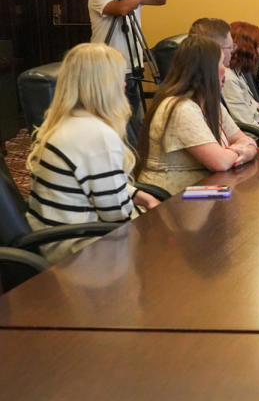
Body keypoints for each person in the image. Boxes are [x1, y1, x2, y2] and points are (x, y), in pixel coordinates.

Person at [25, 43, 160, 262]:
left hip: (52, 238)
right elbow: (115, 214)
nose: (125, 85)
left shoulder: (68, 121)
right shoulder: (97, 135)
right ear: (103, 86)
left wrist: (139, 195)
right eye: (119, 78)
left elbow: (97, 184)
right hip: (78, 250)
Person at [135, 35, 258, 195]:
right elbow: (220, 162)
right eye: (220, 63)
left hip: (204, 193)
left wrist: (245, 149)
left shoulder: (209, 102)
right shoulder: (180, 108)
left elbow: (243, 139)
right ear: (204, 70)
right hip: (171, 202)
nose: (225, 70)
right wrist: (244, 150)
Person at [87, 0, 168, 130]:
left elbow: (159, 0)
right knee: (114, 121)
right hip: (108, 68)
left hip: (134, 65)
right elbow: (122, 8)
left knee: (135, 120)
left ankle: (135, 152)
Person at [188, 18, 259, 136]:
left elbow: (237, 134)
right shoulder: (227, 78)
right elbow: (248, 131)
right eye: (231, 47)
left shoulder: (235, 75)